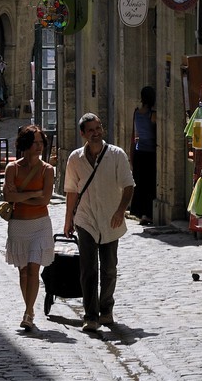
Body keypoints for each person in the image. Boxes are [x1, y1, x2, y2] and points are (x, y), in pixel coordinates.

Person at [63, 114, 134, 333]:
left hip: (110, 219)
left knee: (109, 268)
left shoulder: (116, 155)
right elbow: (72, 192)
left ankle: (106, 309)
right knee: (88, 269)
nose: (96, 132)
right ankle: (90, 315)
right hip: (86, 219)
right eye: (91, 130)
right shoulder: (75, 159)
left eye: (99, 128)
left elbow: (129, 185)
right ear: (83, 134)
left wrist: (121, 211)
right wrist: (68, 221)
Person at [3, 124, 55, 330]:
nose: (39, 146)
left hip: (40, 224)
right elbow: (8, 196)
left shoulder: (47, 170)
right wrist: (33, 194)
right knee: (23, 272)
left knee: (34, 269)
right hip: (18, 225)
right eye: (35, 143)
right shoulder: (12, 168)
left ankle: (29, 312)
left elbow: (46, 200)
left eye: (41, 142)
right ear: (25, 144)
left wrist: (21, 197)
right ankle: (29, 308)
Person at [130, 85, 157, 223]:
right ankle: (148, 213)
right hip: (150, 152)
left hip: (139, 151)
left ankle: (140, 213)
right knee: (149, 184)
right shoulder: (152, 114)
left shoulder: (136, 112)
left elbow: (134, 134)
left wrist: (131, 155)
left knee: (140, 184)